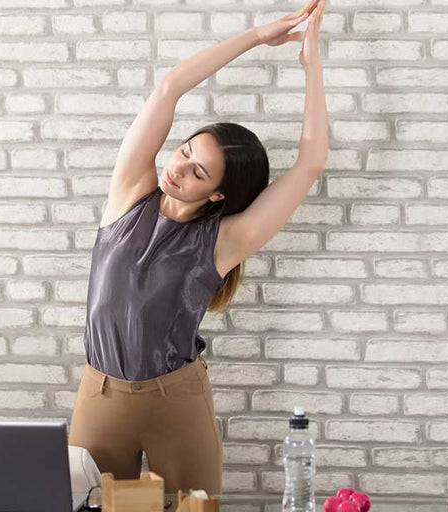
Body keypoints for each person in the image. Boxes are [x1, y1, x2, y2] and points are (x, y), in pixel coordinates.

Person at [68, 0, 329, 496]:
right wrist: (256, 36)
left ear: (218, 195)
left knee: (195, 510)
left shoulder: (225, 240)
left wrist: (311, 62)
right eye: (185, 151)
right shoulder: (128, 193)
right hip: (98, 394)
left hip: (177, 402)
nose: (178, 168)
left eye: (198, 172)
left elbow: (310, 163)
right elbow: (170, 86)